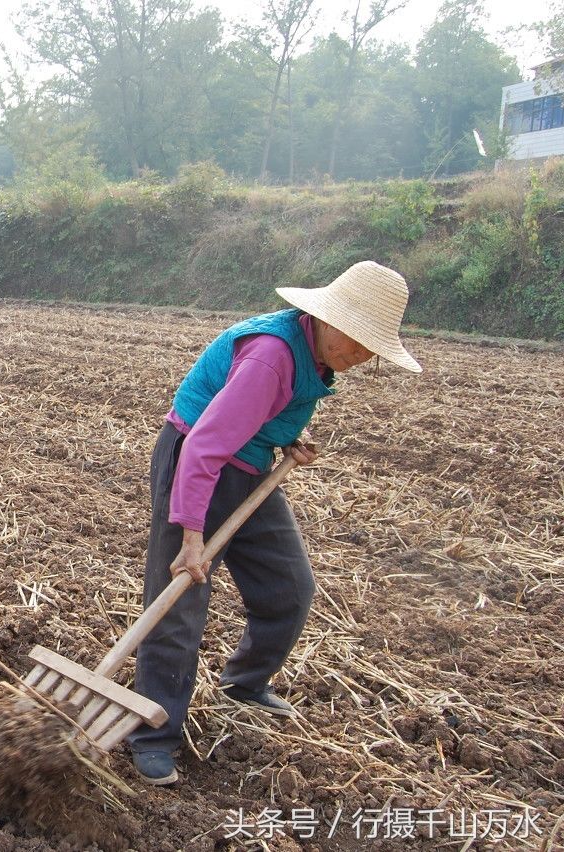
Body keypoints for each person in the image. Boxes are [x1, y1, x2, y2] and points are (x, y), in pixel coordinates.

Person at [127, 261, 422, 786]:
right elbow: (203, 447)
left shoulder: (318, 353)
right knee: (179, 601)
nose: (358, 357)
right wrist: (192, 538)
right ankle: (153, 736)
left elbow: (264, 412)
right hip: (197, 464)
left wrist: (284, 438)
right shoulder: (271, 356)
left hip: (250, 464)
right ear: (328, 319)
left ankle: (243, 681)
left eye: (369, 349)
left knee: (289, 588)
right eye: (355, 342)